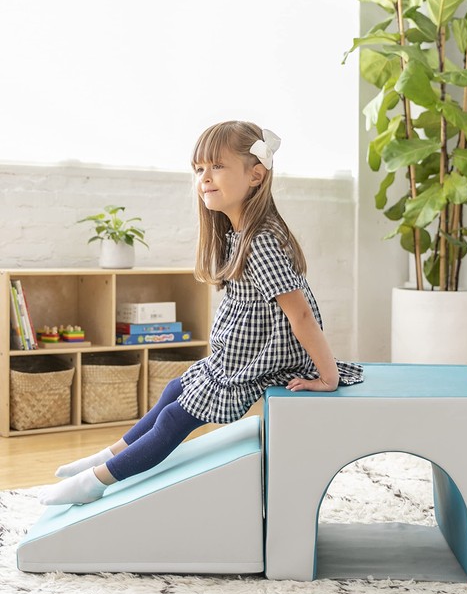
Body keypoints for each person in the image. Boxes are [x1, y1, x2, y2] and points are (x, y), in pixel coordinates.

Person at [39, 121, 363, 506]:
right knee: (174, 390)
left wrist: (328, 376)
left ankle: (97, 481)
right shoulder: (239, 233)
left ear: (256, 175)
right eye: (199, 169)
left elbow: (302, 316)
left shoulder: (260, 241)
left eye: (217, 166)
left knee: (175, 419)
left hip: (261, 362)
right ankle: (109, 455)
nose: (205, 178)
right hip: (239, 355)